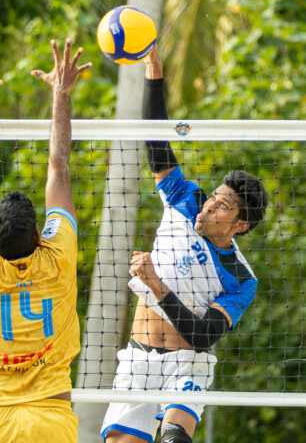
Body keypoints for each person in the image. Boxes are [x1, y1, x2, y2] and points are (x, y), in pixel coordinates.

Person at [101, 46, 269, 443]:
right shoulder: (185, 198)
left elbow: (203, 336)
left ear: (240, 225)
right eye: (214, 196)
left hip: (187, 363)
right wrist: (154, 72)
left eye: (223, 206)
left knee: (175, 437)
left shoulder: (241, 279)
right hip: (138, 359)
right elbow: (156, 141)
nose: (210, 205)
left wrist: (155, 284)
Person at [0, 39, 91, 442]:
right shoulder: (57, 254)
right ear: (38, 235)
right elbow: (58, 170)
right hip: (51, 415)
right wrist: (61, 93)